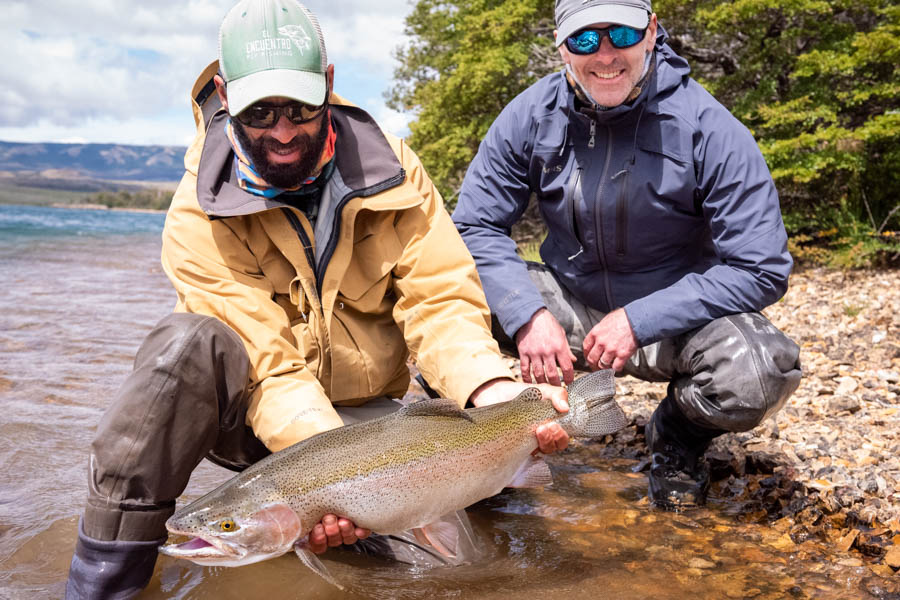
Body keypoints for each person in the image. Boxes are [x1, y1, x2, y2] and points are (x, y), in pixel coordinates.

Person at [64, 1, 571, 597]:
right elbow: (268, 367)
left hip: (371, 423)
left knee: (444, 578)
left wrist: (495, 392)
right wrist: (326, 483)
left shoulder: (394, 174)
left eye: (301, 108)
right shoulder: (197, 210)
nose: (282, 131)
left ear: (328, 85)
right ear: (227, 97)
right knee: (182, 346)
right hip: (258, 423)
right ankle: (105, 582)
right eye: (260, 112)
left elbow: (441, 304)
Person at [452, 0, 802, 512]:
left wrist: (639, 319)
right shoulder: (529, 115)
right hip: (569, 303)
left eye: (621, 32)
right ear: (561, 45)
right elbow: (474, 226)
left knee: (759, 373)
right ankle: (488, 453)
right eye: (586, 40)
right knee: (448, 305)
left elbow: (761, 265)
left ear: (652, 31)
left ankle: (678, 436)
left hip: (674, 321)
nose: (606, 54)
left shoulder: (709, 126)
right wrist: (526, 315)